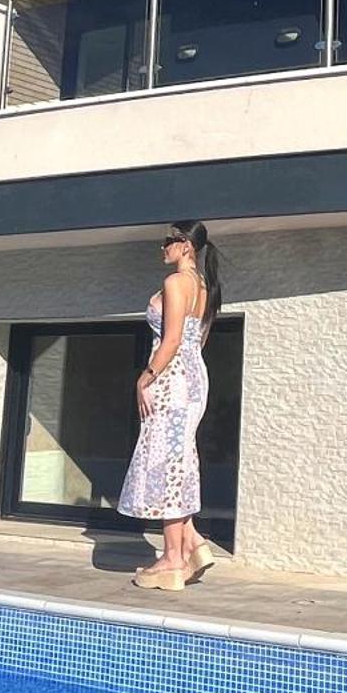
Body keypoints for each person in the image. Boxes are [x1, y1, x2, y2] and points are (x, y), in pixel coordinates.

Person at [119, 220, 222, 591]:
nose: (162, 247)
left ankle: (172, 558)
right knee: (177, 458)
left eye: (169, 241)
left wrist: (145, 377)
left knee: (165, 459)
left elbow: (173, 339)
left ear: (186, 247)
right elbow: (198, 340)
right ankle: (189, 541)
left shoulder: (176, 283)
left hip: (172, 376)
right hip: (193, 377)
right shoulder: (204, 288)